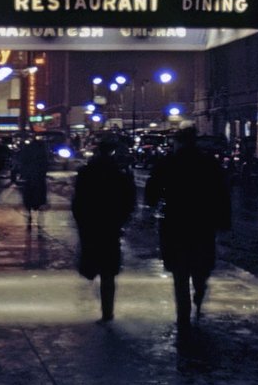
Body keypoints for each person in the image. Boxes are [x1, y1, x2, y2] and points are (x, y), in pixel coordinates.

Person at [144, 124, 231, 343]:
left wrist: (156, 203)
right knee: (200, 266)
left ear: (178, 142)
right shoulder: (208, 163)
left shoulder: (168, 163)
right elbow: (221, 193)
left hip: (175, 223)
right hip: (202, 222)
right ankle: (199, 295)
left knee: (179, 274)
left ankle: (183, 316)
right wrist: (223, 220)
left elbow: (152, 192)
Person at [71, 134, 137, 323]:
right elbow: (129, 200)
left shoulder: (87, 172)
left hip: (92, 223)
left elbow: (79, 200)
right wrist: (122, 220)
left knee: (94, 263)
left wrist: (82, 221)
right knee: (109, 270)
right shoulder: (120, 173)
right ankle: (107, 310)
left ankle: (102, 302)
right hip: (111, 224)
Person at [18, 137, 50, 228]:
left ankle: (30, 215)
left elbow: (23, 162)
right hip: (38, 177)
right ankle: (38, 216)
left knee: (29, 196)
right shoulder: (42, 151)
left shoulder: (28, 150)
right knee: (39, 196)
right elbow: (45, 164)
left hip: (30, 177)